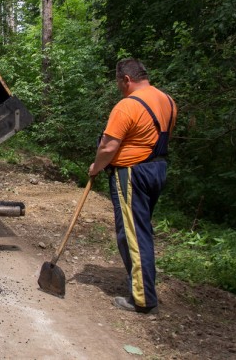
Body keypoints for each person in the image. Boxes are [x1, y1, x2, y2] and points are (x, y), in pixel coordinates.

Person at [88, 58, 177, 315]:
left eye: (118, 82)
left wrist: (96, 167)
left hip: (132, 173)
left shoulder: (127, 106)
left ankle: (143, 298)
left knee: (133, 236)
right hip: (157, 168)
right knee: (140, 230)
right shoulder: (168, 101)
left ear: (127, 79)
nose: (118, 86)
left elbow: (108, 146)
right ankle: (141, 285)